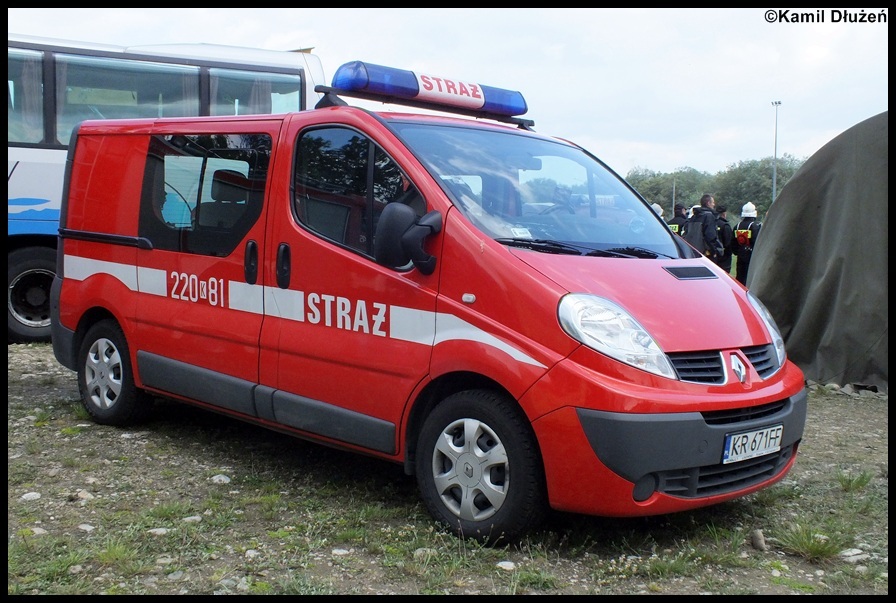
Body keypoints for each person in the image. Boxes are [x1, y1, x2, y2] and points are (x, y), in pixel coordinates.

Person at [681, 194, 723, 260]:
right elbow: (710, 236)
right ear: (708, 203)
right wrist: (714, 251)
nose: (714, 205)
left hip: (693, 253)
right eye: (713, 202)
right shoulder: (709, 216)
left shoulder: (694, 217)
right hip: (706, 254)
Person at [732, 201, 762, 285]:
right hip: (752, 257)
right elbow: (757, 242)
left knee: (740, 279)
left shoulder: (737, 226)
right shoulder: (756, 226)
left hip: (741, 256)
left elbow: (733, 243)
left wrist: (738, 251)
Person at [714, 204, 734, 273]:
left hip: (713, 256)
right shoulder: (725, 226)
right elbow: (729, 243)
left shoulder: (712, 223)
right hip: (724, 259)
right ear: (724, 213)